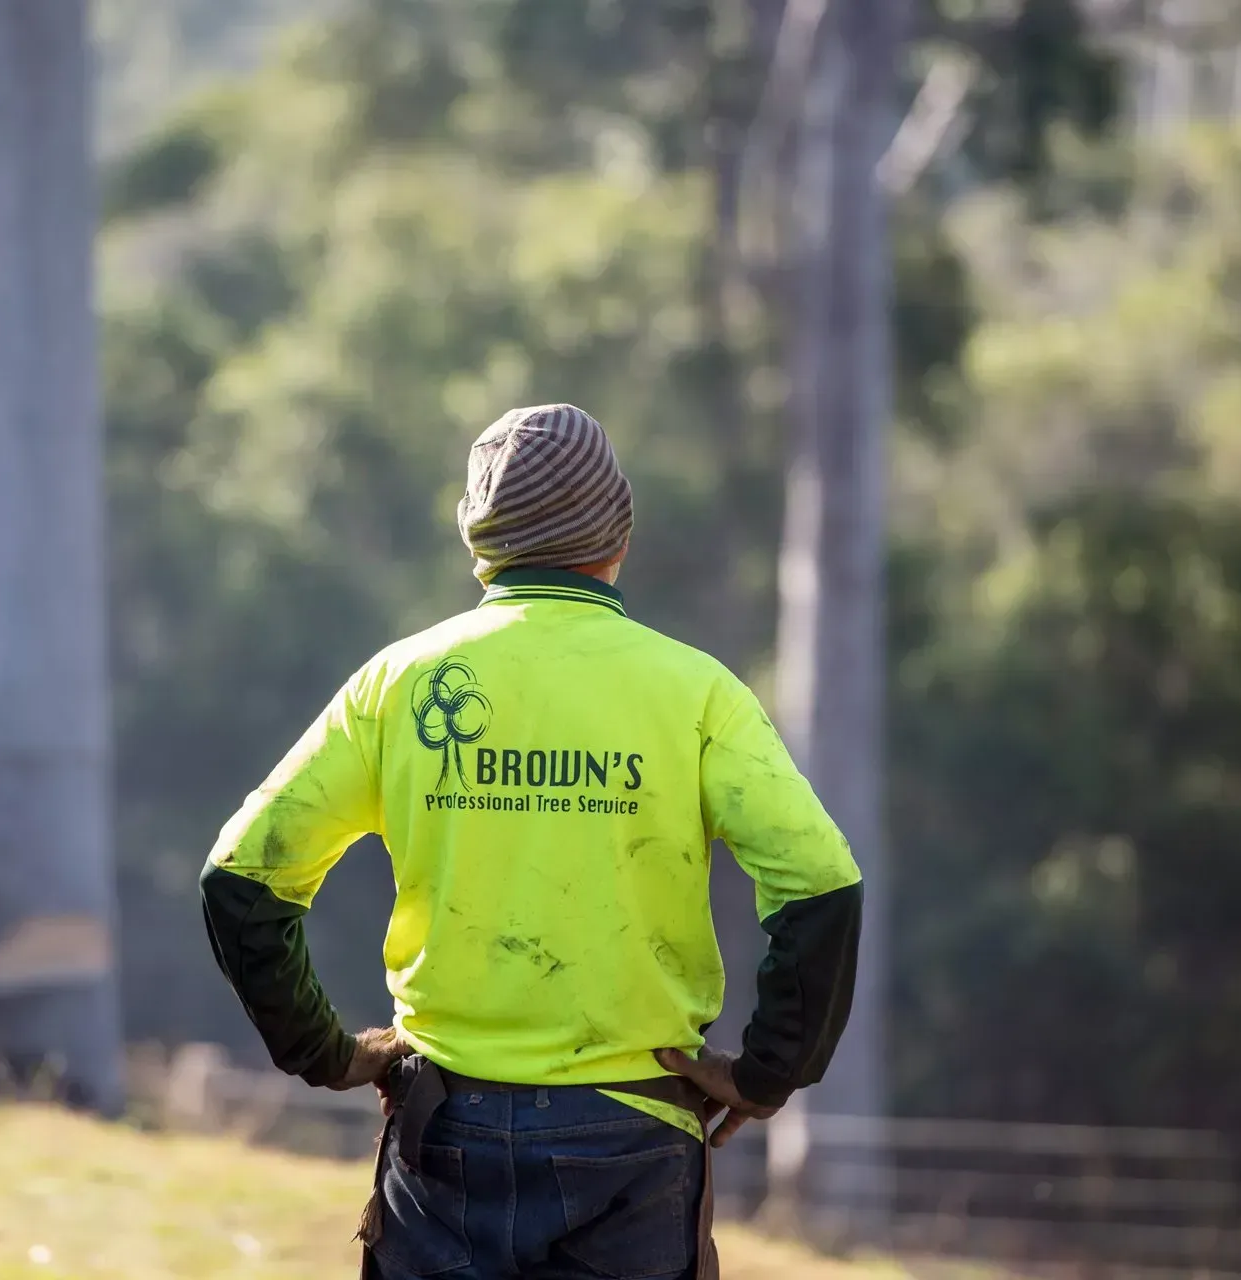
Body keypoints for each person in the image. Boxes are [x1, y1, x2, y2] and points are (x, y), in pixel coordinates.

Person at [200, 404, 864, 1280]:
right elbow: (820, 881)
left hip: (442, 1136)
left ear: (481, 538)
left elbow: (242, 878)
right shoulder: (696, 692)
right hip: (635, 1137)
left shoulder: (399, 683)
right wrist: (770, 1070)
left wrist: (323, 1051)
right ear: (618, 530)